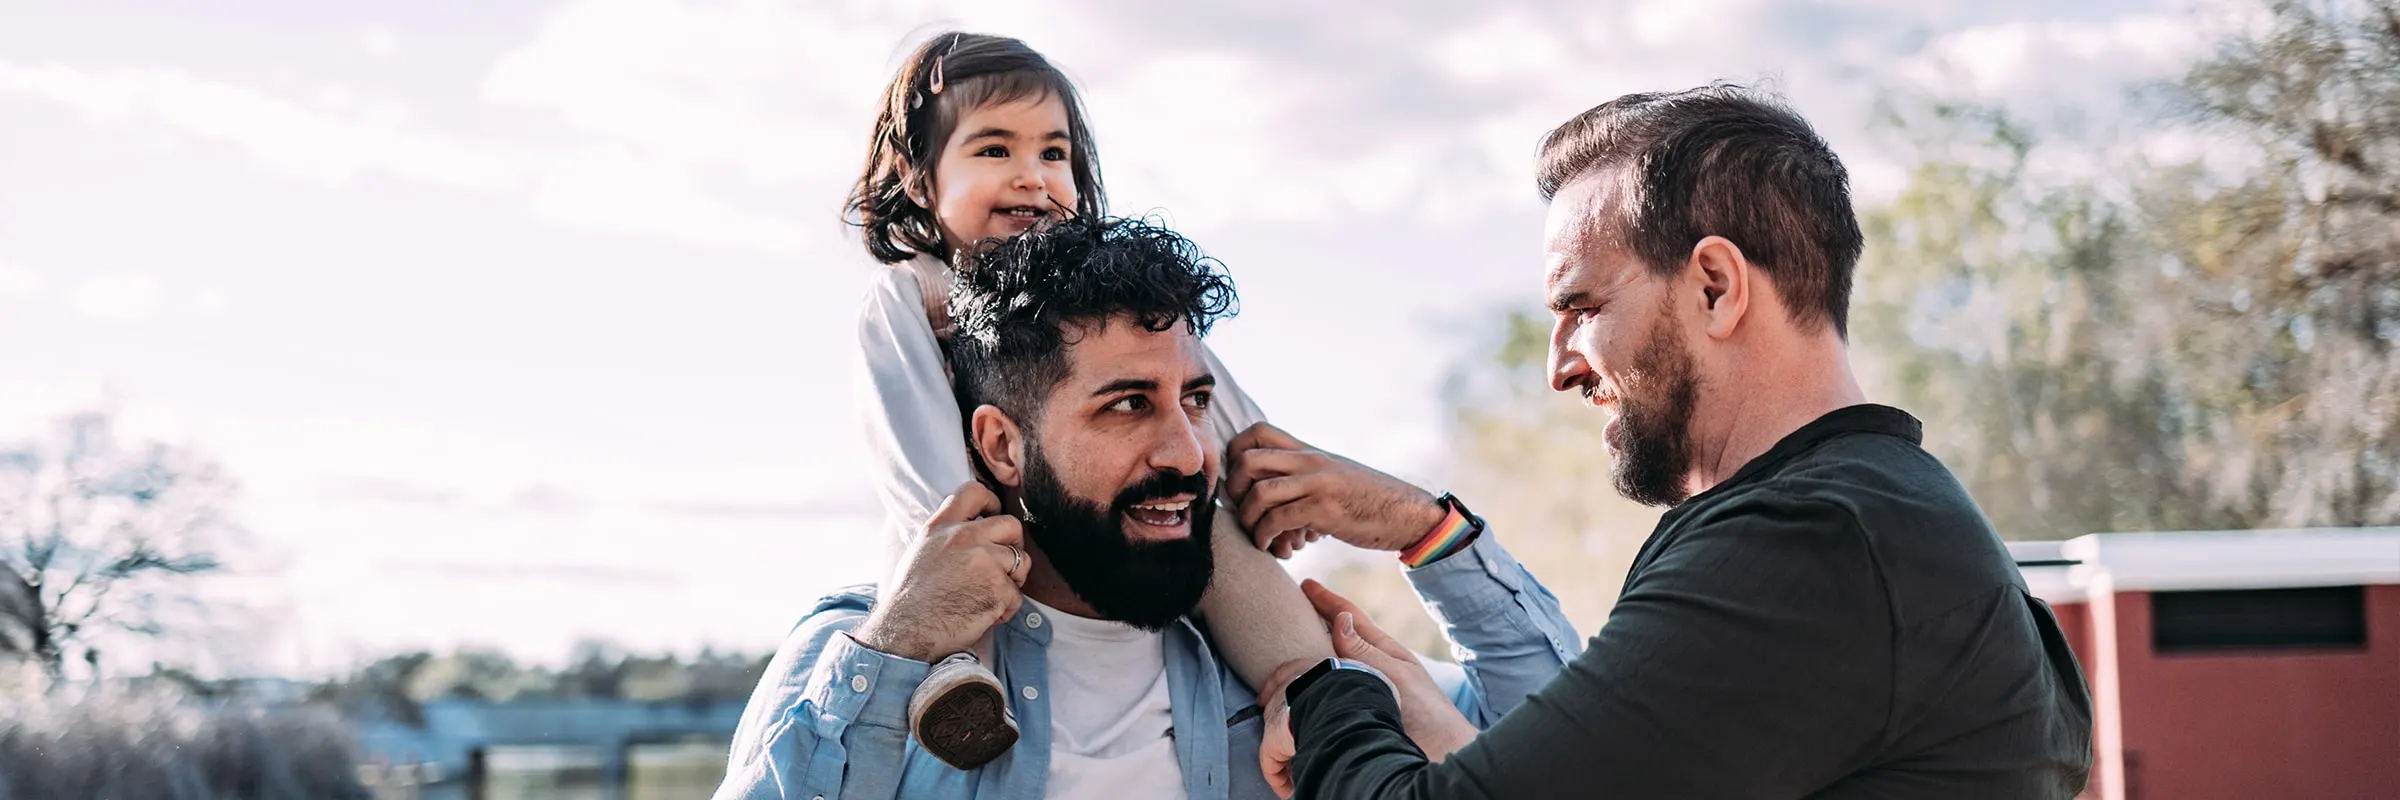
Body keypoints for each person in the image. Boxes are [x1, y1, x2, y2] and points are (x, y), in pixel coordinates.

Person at [1240, 85, 2097, 798]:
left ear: (1716, 288)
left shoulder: (1811, 542)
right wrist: (1431, 542)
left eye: (1582, 308)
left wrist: (1324, 698)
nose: (1559, 367)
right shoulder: (1889, 520)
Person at [711, 215, 1581, 800]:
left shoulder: (1298, 679)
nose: (1187, 452)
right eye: (1127, 404)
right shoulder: (865, 662)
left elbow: (1568, 756)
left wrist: (1427, 531)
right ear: (1003, 444)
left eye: (1195, 401)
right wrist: (894, 650)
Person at [836, 31, 1337, 770]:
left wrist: (1267, 477)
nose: (1032, 176)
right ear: (918, 178)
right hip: (965, 518)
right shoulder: (913, 295)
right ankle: (957, 689)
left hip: (1126, 515)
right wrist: (955, 519)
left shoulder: (1103, 300)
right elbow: (904, 424)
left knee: (1217, 544)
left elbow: (1209, 399)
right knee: (958, 581)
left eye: (1054, 153)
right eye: (994, 151)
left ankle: (1311, 689)